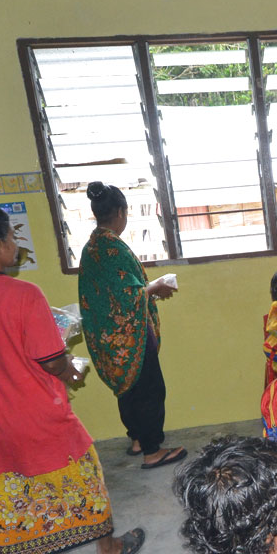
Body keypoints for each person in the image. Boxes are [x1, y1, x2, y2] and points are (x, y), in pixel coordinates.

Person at [0, 202, 145, 554]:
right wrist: (71, 369)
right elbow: (51, 359)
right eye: (12, 238)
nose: (16, 246)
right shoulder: (24, 295)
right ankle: (107, 549)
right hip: (36, 415)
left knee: (2, 506)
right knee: (86, 477)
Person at [78, 181, 185, 470]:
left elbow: (112, 293)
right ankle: (152, 450)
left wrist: (146, 289)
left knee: (128, 389)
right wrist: (155, 288)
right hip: (131, 334)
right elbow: (128, 296)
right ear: (122, 212)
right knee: (150, 389)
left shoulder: (92, 247)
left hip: (109, 336)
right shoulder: (113, 248)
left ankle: (137, 439)